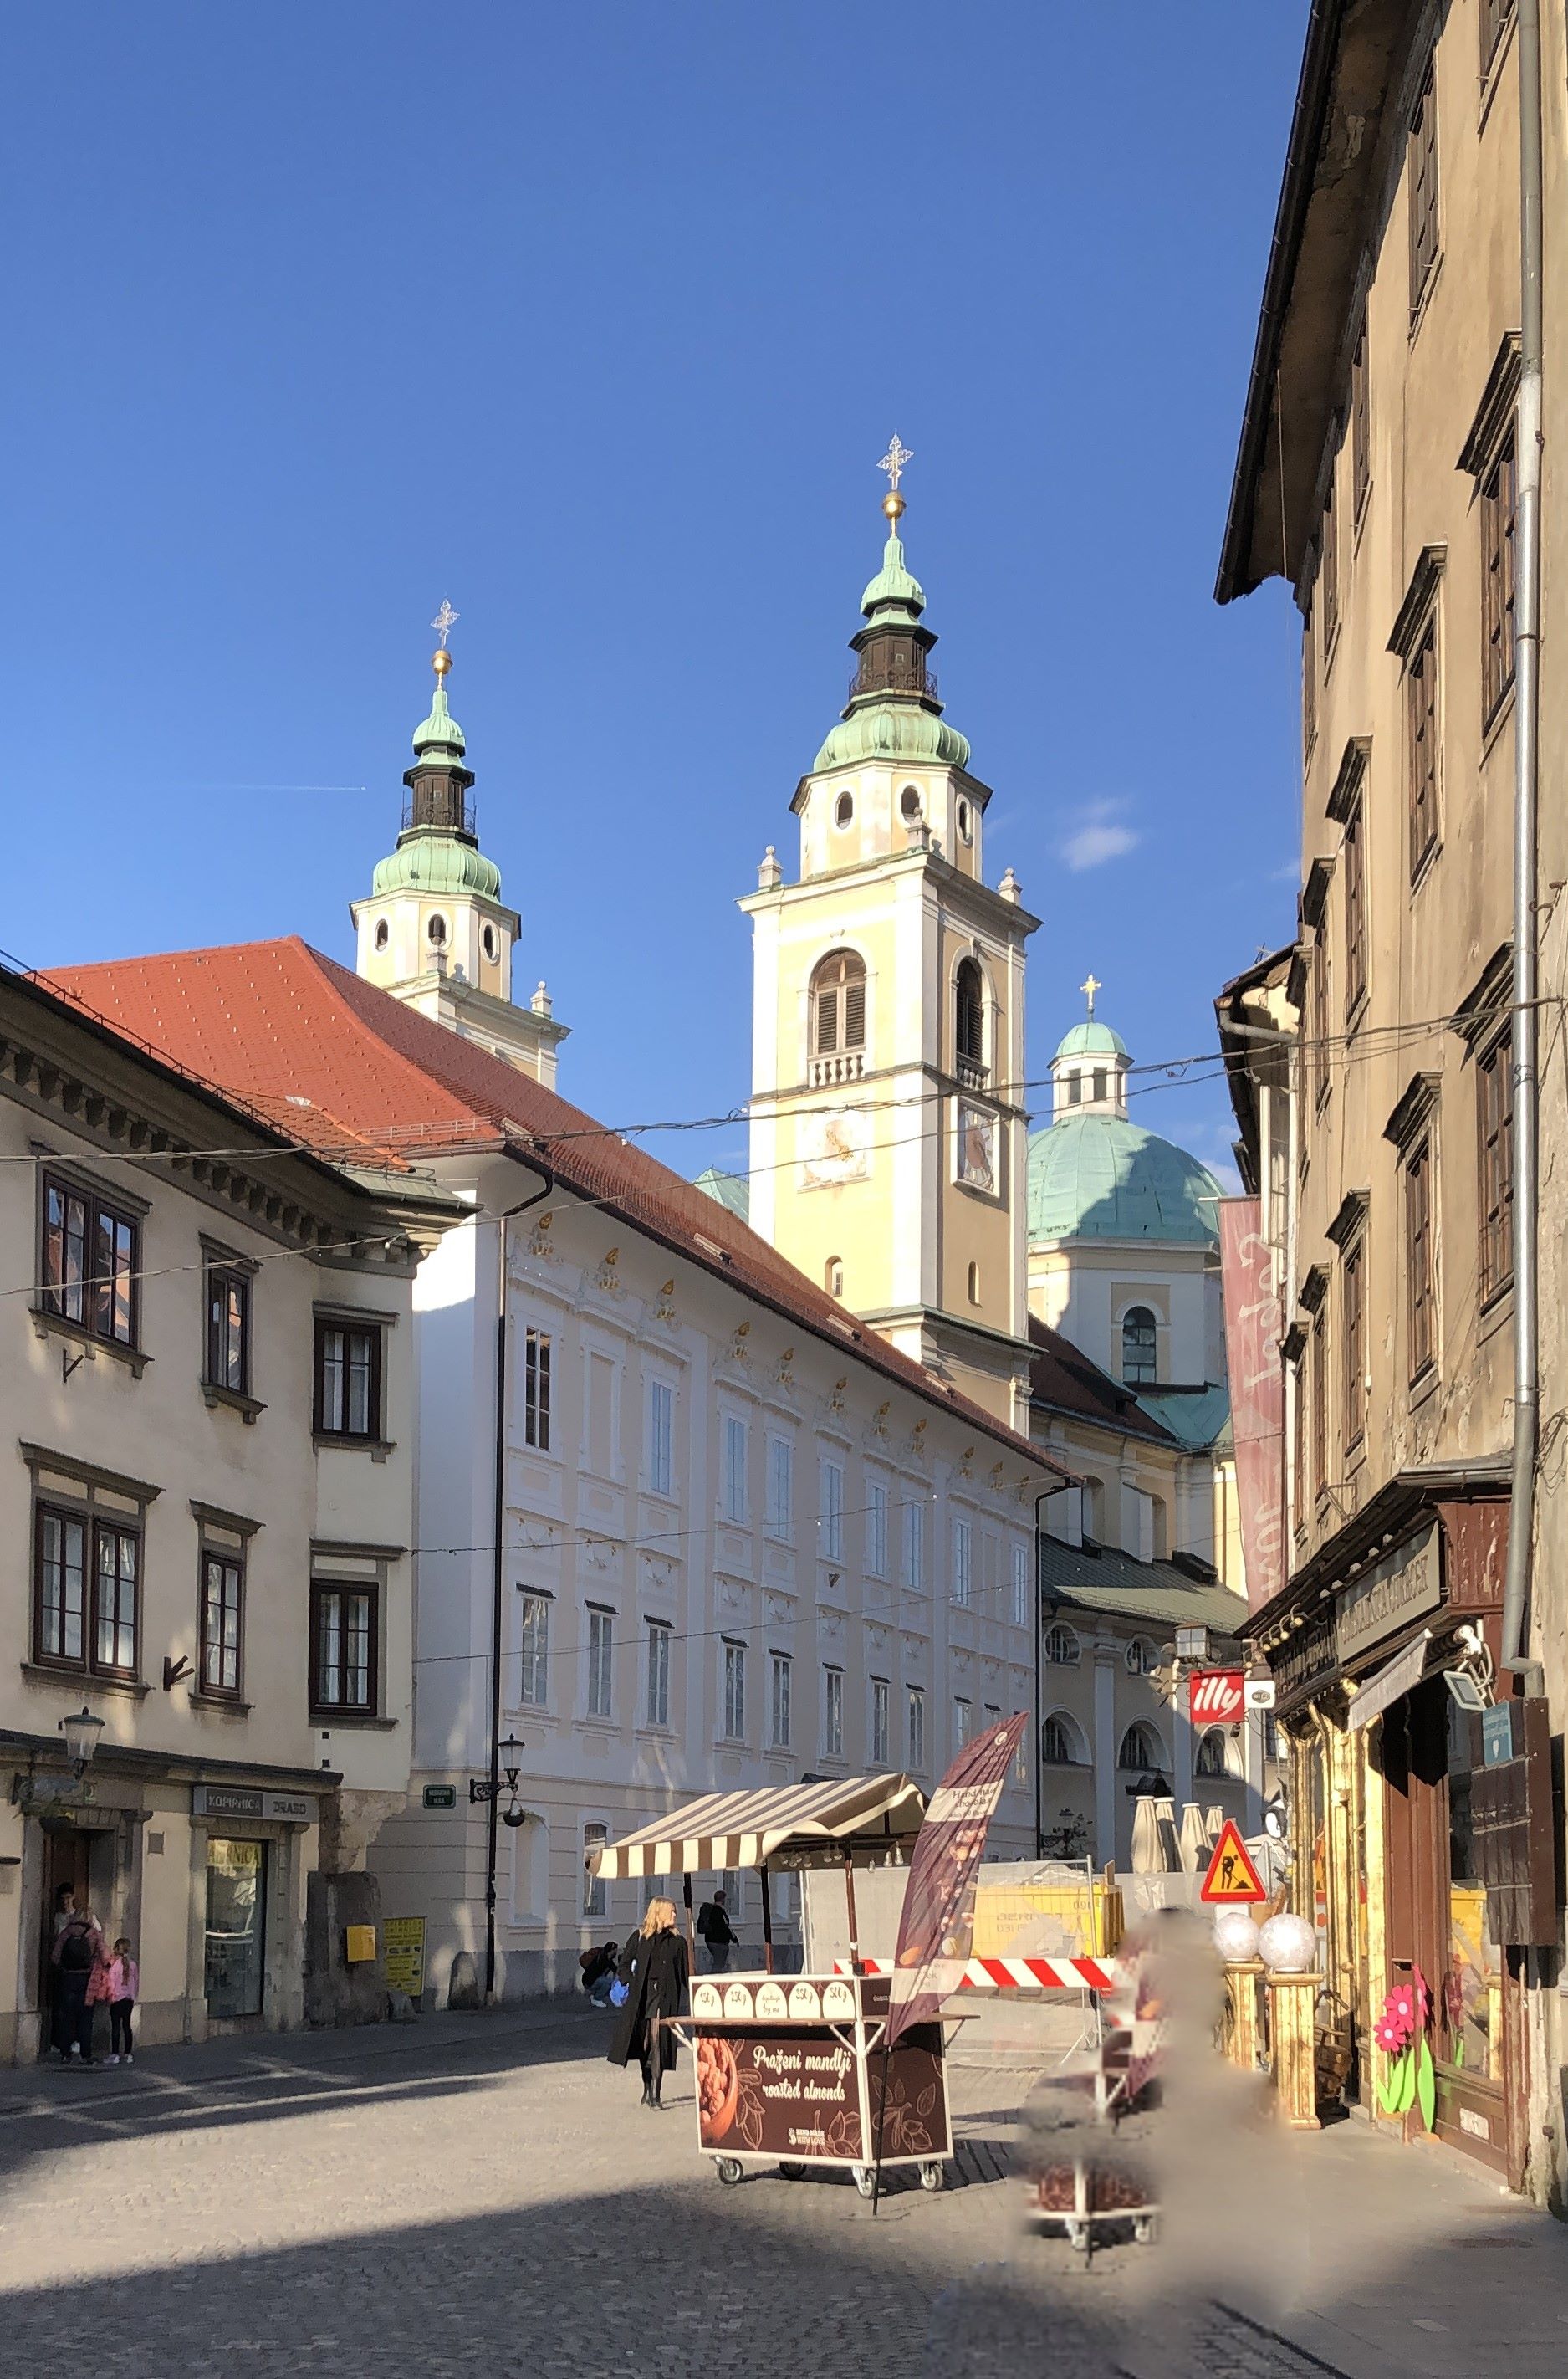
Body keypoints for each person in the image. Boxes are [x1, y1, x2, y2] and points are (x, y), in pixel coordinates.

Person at [607, 1897, 688, 2109]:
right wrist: (630, 1982)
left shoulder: (678, 1942)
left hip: (665, 1999)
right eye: (671, 1911)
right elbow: (623, 1965)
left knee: (658, 2044)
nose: (674, 1916)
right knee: (644, 2046)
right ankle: (646, 2088)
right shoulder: (640, 1937)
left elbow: (686, 1975)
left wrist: (700, 1994)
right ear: (659, 1913)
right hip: (642, 1998)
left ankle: (656, 2093)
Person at [51, 1904, 104, 2064]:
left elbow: (55, 1956)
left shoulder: (66, 1933)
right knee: (85, 2018)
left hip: (68, 1978)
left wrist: (64, 1967)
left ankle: (65, 2054)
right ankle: (85, 2055)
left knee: (67, 2017)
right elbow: (105, 1956)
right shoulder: (93, 1934)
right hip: (87, 1980)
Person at [104, 1936, 139, 2065]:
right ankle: (128, 2054)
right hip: (128, 1999)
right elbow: (135, 1982)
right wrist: (133, 1996)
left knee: (116, 2027)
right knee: (127, 2026)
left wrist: (110, 1996)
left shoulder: (114, 1966)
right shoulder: (133, 1965)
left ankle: (115, 2054)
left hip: (117, 1999)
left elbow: (111, 1983)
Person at [696, 1889, 737, 1974]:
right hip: (719, 1942)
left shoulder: (711, 1910)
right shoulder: (720, 1912)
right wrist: (734, 1938)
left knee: (717, 1963)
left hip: (710, 1940)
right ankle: (713, 1981)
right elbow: (726, 1927)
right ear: (722, 1899)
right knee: (719, 1964)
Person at [579, 1940, 619, 2008]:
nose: (616, 1952)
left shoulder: (603, 1956)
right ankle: (597, 1999)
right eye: (615, 1950)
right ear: (612, 1950)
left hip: (588, 1980)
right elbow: (616, 1970)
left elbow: (615, 1969)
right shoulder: (605, 1960)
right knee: (610, 1983)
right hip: (590, 1982)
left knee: (610, 1983)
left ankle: (594, 1995)